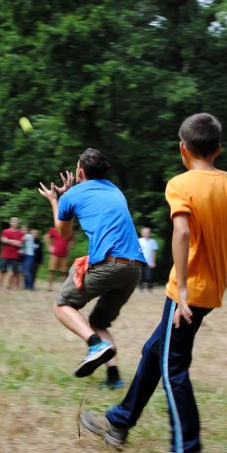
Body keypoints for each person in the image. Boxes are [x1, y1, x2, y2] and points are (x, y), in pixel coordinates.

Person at [79, 113, 227, 453]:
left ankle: (186, 452)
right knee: (155, 352)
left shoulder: (180, 184)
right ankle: (120, 422)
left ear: (183, 148)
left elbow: (181, 232)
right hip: (210, 291)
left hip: (188, 293)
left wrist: (182, 291)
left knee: (172, 367)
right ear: (219, 149)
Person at [39, 148, 146, 387]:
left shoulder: (72, 196)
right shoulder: (115, 190)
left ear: (79, 172)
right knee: (99, 322)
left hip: (109, 265)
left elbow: (63, 232)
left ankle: (95, 345)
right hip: (134, 268)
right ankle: (114, 378)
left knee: (62, 305)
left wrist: (55, 201)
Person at [44, 226, 74, 291]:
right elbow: (46, 237)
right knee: (52, 271)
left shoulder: (69, 231)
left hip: (64, 255)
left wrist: (69, 249)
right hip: (54, 255)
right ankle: (49, 287)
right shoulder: (54, 229)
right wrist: (49, 247)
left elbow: (72, 241)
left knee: (63, 272)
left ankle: (63, 288)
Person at [0, 217, 24, 289]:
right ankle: (0, 285)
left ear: (18, 223)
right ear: (10, 223)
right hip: (5, 254)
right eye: (13, 221)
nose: (15, 223)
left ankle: (13, 286)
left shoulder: (20, 233)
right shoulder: (5, 231)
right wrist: (14, 241)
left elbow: (20, 244)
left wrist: (9, 241)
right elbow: (3, 240)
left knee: (15, 271)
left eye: (16, 222)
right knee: (2, 270)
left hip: (15, 255)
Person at [138, 227, 158, 291]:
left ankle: (150, 287)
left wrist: (153, 262)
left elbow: (154, 252)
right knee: (140, 276)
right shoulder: (139, 241)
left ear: (150, 233)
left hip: (149, 262)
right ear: (142, 233)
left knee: (148, 276)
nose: (146, 234)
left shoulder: (153, 241)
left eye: (148, 233)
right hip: (141, 261)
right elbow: (138, 251)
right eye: (145, 233)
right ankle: (140, 287)